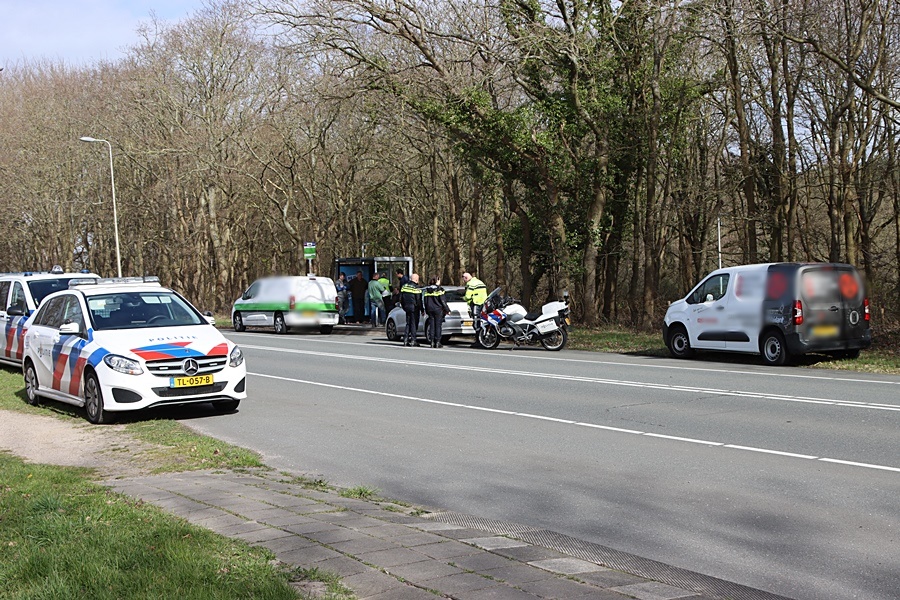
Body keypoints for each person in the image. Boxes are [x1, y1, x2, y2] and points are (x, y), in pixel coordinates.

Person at [424, 277, 451, 348]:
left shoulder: (427, 290)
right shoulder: (439, 290)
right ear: (437, 281)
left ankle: (432, 342)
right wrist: (447, 310)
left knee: (432, 325)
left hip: (430, 309)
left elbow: (425, 301)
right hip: (438, 309)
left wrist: (426, 310)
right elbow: (443, 301)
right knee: (438, 326)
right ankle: (437, 342)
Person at [463, 272, 488, 347]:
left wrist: (462, 298)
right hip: (483, 304)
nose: (464, 281)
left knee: (476, 323)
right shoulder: (480, 282)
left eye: (464, 279)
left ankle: (478, 341)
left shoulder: (471, 284)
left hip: (476, 304)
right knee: (482, 322)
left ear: (466, 278)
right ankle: (483, 339)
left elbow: (467, 296)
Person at [400, 273, 424, 346]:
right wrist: (422, 310)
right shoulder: (416, 288)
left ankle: (405, 339)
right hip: (414, 308)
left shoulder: (404, 287)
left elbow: (401, 299)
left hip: (407, 307)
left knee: (408, 323)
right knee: (413, 324)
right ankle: (413, 340)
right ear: (416, 280)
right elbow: (419, 301)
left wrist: (404, 307)